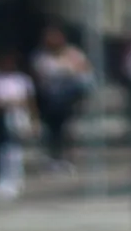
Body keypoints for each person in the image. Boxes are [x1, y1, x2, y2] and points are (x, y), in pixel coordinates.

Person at [30, 24, 95, 167]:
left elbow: (83, 72)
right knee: (53, 127)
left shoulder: (73, 53)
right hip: (49, 98)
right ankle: (54, 155)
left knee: (67, 126)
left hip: (69, 98)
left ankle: (67, 155)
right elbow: (40, 75)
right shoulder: (40, 56)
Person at [0, 48, 38, 203]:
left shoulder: (21, 79)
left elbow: (29, 101)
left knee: (15, 148)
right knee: (4, 149)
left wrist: (33, 120)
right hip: (0, 117)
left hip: (17, 115)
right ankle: (4, 179)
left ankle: (17, 178)